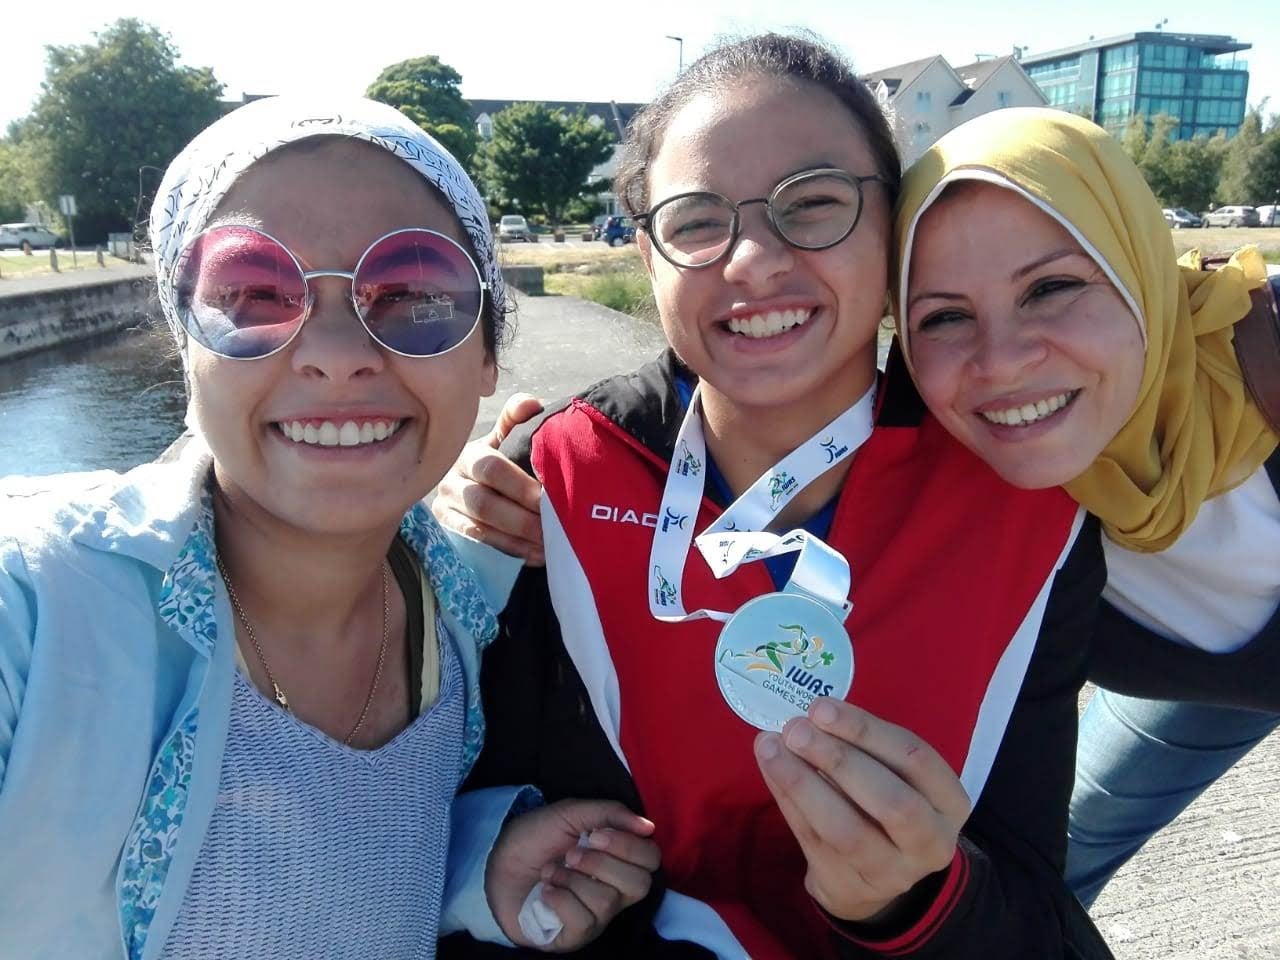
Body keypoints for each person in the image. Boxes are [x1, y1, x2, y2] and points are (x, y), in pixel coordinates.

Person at [435, 35, 1115, 960]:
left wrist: (918, 902)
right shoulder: (545, 483)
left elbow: (1034, 918)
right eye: (697, 220)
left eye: (817, 204)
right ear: (646, 255)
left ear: (892, 233)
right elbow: (423, 802)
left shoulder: (1024, 510)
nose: (754, 259)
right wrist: (491, 856)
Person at [0, 96, 661, 958]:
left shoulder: (457, 611)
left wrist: (470, 875)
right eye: (253, 293)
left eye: (413, 292)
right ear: (185, 345)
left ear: (487, 355)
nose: (337, 351)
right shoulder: (36, 611)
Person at [891, 107, 1279, 908]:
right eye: (944, 316)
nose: (1000, 364)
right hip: (1219, 694)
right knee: (1028, 887)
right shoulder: (968, 470)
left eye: (1054, 286)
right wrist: (557, 508)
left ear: (1139, 266)